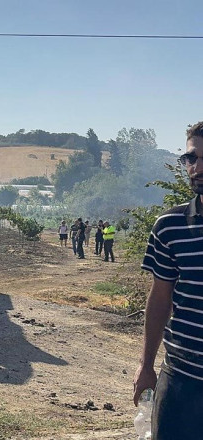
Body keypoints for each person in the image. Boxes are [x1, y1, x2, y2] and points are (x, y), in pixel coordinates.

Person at [133, 121, 203, 439]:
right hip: (180, 380)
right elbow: (160, 298)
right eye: (191, 158)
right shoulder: (169, 227)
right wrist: (146, 366)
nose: (197, 167)